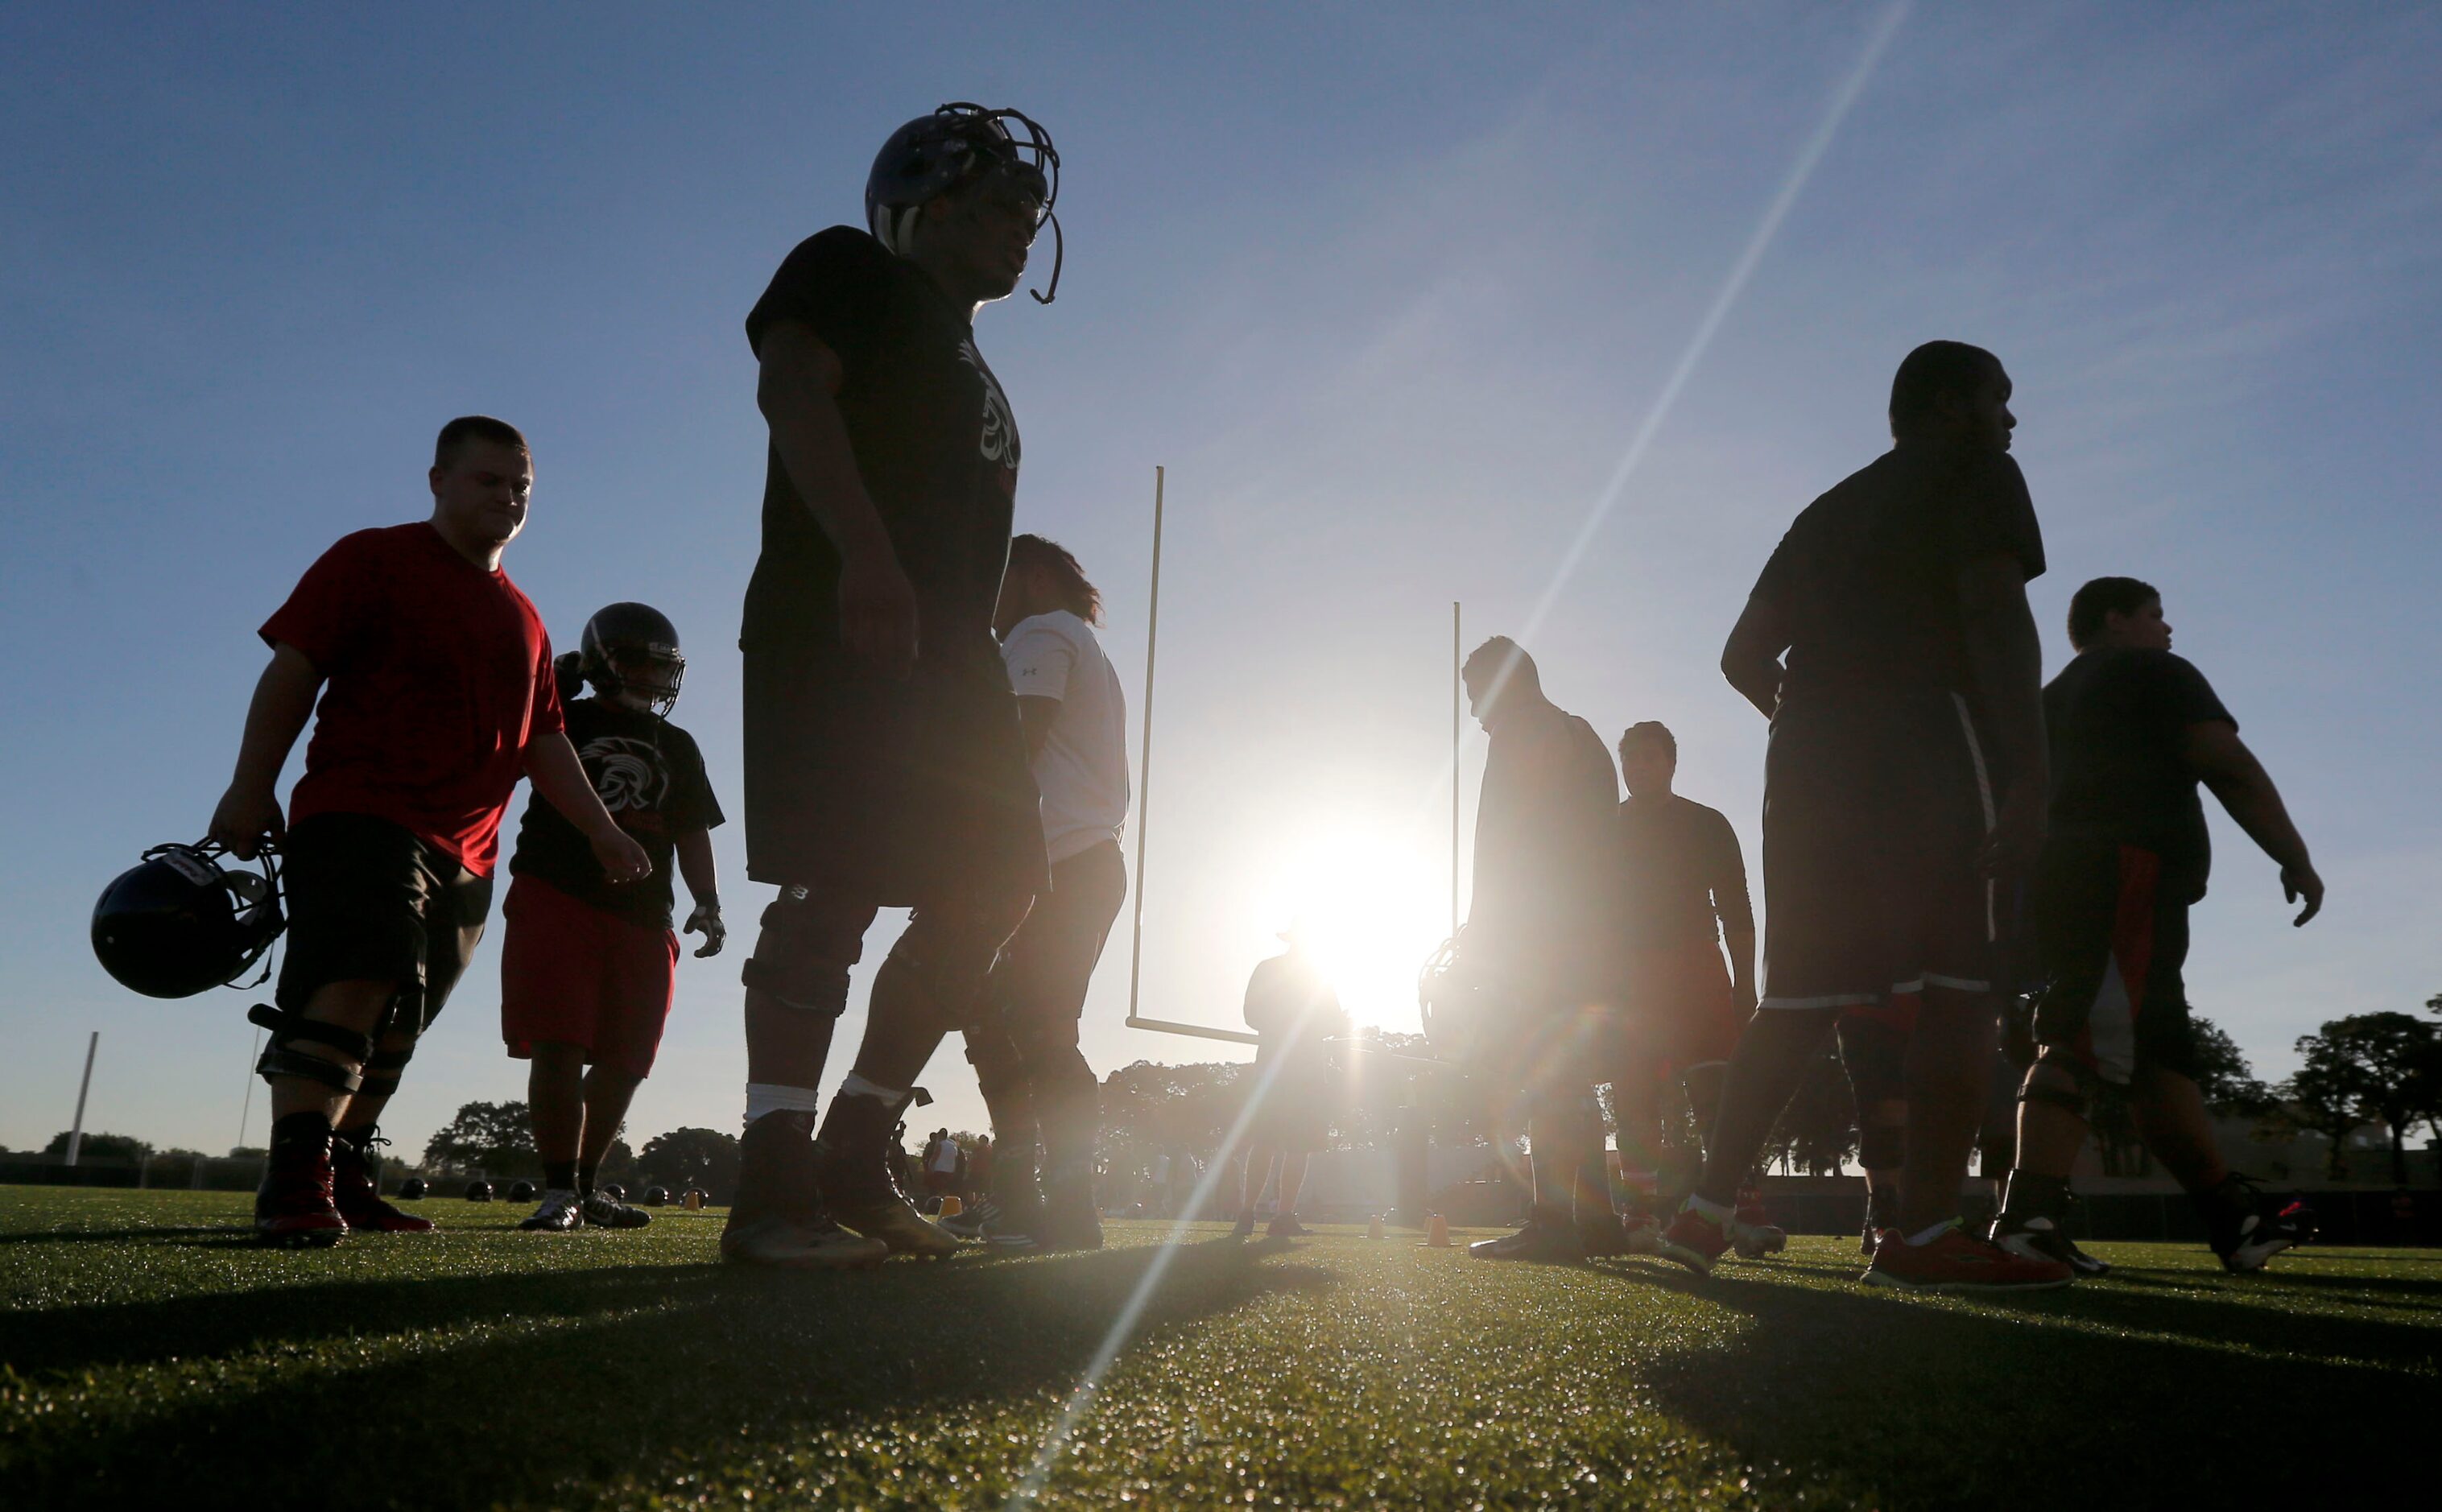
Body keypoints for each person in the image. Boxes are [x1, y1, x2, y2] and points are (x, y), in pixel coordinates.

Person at [723, 104, 1062, 1268]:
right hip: (848, 616)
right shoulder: (849, 267)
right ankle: (771, 1185)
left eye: (1030, 212)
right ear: (919, 202)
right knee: (837, 886)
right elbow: (791, 390)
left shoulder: (970, 354)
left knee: (1000, 879)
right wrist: (865, 551)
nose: (1020, 227)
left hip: (953, 652)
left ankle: (854, 1145)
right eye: (993, 205)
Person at [1660, 341, 2072, 1290]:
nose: (2011, 419)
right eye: (1998, 399)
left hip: (1805, 752)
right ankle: (1923, 1232)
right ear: (1948, 406)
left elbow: (1740, 656)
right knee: (1963, 980)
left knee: (1800, 995)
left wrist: (1820, 736)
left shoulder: (1829, 508)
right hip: (1924, 734)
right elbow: (1995, 614)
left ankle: (1703, 1210)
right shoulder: (1978, 472)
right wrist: (2030, 774)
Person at [208, 416, 652, 1246]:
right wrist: (249, 784)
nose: (508, 496)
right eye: (489, 480)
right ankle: (293, 1175)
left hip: (468, 851)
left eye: (521, 486)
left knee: (405, 1016)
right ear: (438, 480)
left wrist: (601, 831)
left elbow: (545, 743)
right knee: (361, 973)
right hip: (362, 810)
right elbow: (294, 666)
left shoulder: (526, 618)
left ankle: (343, 1169)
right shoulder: (372, 558)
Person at [1991, 576, 2323, 1274]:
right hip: (2122, 870)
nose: (2166, 629)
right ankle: (2027, 1218)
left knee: (2154, 1055)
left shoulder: (2046, 700)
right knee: (2083, 1033)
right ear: (2114, 620)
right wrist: (2292, 855)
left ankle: (2232, 1220)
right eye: (2154, 615)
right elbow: (2223, 763)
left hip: (2062, 877)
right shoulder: (2153, 669)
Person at [502, 603, 727, 1233]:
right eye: (643, 664)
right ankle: (556, 1189)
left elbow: (691, 831)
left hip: (644, 909)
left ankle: (584, 1184)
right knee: (559, 1042)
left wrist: (707, 903)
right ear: (608, 662)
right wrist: (559, 678)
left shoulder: (677, 744)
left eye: (664, 668)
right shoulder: (563, 718)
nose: (657, 680)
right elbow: (513, 710)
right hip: (559, 889)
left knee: (628, 1058)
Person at [948, 535, 1131, 1250]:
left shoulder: (1044, 630)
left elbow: (1013, 749)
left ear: (1024, 577)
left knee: (1043, 1029)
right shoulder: (1071, 639)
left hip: (1063, 863)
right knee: (993, 1025)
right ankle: (1017, 1196)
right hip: (1058, 863)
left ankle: (1067, 1208)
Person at [1452, 638, 1625, 1263]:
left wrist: (1480, 928)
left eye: (1476, 695)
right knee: (1571, 1076)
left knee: (1541, 1072)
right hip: (1589, 930)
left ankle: (1552, 1223)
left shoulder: (1521, 730)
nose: (1475, 713)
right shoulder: (1583, 734)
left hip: (1540, 932)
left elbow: (1504, 837)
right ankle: (1598, 1224)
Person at [1606, 721, 1764, 1249]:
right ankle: (1639, 1214)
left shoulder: (1706, 824)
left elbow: (1737, 911)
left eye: (1649, 758)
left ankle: (1737, 1209)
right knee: (1633, 1095)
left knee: (1717, 1091)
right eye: (1629, 758)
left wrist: (1744, 986)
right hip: (1628, 975)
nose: (1638, 767)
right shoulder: (1603, 828)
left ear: (1671, 764)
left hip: (1696, 966)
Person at [1233, 929, 1349, 1238]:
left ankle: (1268, 1215)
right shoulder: (1282, 971)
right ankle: (1258, 1213)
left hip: (1299, 1068)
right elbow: (1252, 1014)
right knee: (1274, 1142)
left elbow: (1332, 1021)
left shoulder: (1299, 973)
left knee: (1287, 1144)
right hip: (1288, 1067)